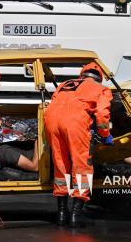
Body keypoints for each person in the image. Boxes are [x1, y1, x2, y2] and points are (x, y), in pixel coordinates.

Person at [44, 63, 114, 227]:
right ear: (99, 78)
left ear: (82, 75)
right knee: (82, 165)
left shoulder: (65, 84)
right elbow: (103, 114)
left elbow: (53, 102)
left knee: (60, 164)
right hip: (75, 123)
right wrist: (105, 135)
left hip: (51, 122)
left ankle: (61, 213)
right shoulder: (101, 89)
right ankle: (76, 214)